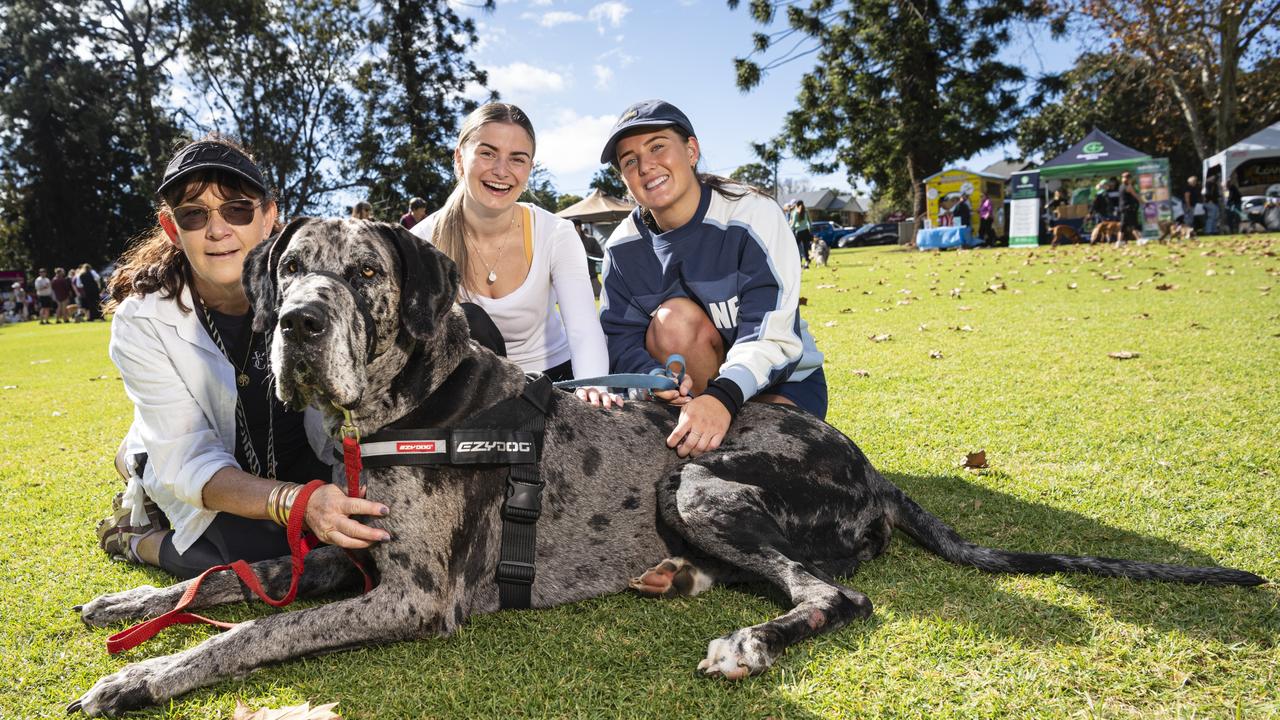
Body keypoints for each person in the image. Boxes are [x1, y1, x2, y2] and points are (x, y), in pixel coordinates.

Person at [95, 136, 389, 579]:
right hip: (205, 465)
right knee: (257, 556)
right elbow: (192, 459)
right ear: (172, 229)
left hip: (300, 455)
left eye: (237, 209)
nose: (217, 230)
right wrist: (295, 502)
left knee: (345, 542)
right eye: (194, 215)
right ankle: (136, 538)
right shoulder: (142, 320)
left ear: (269, 216)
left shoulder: (313, 289)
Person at [596, 99, 826, 459]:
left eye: (658, 146)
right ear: (624, 179)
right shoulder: (621, 248)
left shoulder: (752, 214)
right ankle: (702, 429)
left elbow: (770, 334)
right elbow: (619, 340)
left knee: (779, 468)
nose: (645, 166)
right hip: (696, 389)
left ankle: (716, 428)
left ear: (691, 150)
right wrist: (652, 377)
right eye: (629, 160)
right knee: (673, 319)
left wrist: (723, 397)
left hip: (781, 381)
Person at [410, 102, 617, 408]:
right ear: (459, 158)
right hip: (466, 387)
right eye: (487, 153)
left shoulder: (556, 233)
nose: (501, 171)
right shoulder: (423, 243)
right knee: (470, 319)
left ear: (529, 169)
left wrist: (592, 387)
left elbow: (584, 327)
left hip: (551, 381)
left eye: (517, 159)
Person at [573, 219, 604, 298]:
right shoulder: (566, 241)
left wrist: (588, 254)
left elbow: (601, 256)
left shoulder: (591, 240)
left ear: (578, 227)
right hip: (573, 279)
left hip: (591, 278)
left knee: (600, 297)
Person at [1117, 172, 1141, 243]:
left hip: (1123, 208)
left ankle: (1119, 242)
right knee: (1133, 224)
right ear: (1129, 179)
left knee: (1123, 227)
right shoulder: (1128, 186)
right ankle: (1139, 240)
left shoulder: (1121, 186)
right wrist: (1143, 202)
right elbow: (1135, 195)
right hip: (1129, 208)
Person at [790, 199, 813, 269]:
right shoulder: (806, 212)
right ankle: (807, 262)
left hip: (799, 232)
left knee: (796, 249)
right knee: (805, 248)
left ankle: (798, 262)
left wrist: (789, 230)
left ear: (796, 205)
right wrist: (810, 230)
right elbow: (810, 223)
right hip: (806, 231)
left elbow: (793, 224)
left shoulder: (795, 212)